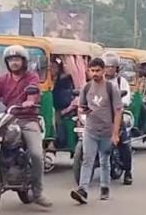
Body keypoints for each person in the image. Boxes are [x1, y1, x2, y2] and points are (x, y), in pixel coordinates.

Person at [0, 45, 53, 207]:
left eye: (17, 59)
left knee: (37, 154)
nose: (14, 63)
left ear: (24, 61)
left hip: (27, 119)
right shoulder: (3, 79)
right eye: (11, 60)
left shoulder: (32, 78)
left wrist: (30, 101)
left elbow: (34, 93)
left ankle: (38, 192)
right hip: (7, 118)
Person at [71, 57, 122, 204]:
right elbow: (81, 107)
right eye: (92, 70)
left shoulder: (111, 88)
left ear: (104, 70)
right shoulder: (86, 88)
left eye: (98, 70)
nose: (95, 73)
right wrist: (83, 114)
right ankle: (83, 190)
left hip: (107, 130)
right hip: (90, 130)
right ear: (88, 71)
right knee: (88, 159)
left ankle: (105, 187)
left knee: (105, 159)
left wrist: (115, 133)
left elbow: (118, 111)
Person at [102, 53, 133, 185]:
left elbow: (126, 98)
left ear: (117, 68)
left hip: (116, 116)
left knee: (124, 143)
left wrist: (121, 103)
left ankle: (128, 172)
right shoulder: (97, 81)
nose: (109, 69)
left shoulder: (122, 82)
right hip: (100, 117)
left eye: (112, 67)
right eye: (106, 66)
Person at [50, 56, 75, 152]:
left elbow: (65, 96)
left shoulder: (64, 79)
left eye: (54, 67)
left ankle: (58, 141)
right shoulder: (43, 79)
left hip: (60, 106)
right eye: (50, 67)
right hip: (48, 105)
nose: (52, 69)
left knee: (57, 120)